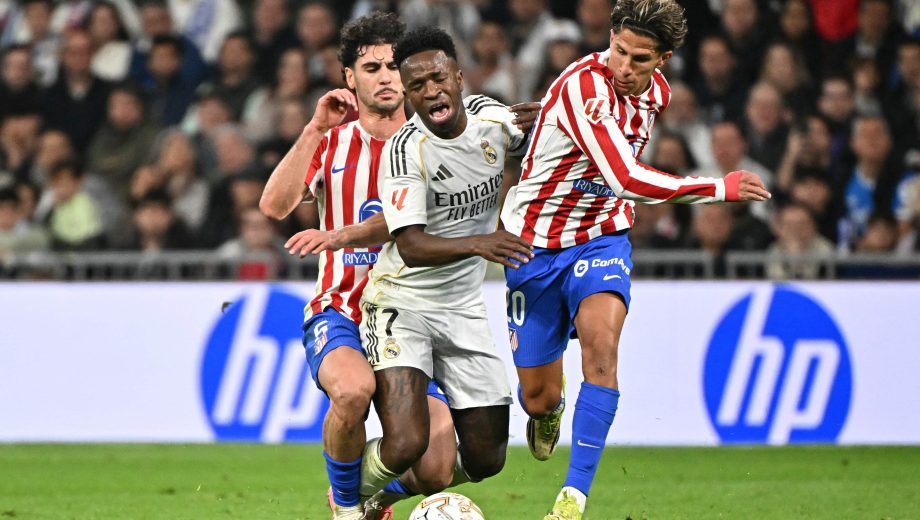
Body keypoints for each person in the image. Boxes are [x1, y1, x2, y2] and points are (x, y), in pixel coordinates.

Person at [499, 1, 770, 518]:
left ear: (662, 60)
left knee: (602, 349)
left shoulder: (657, 95)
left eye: (639, 59)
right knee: (537, 395)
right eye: (619, 50)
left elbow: (617, 186)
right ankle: (549, 411)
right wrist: (718, 185)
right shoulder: (584, 85)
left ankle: (573, 496)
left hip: (602, 236)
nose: (624, 67)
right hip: (534, 243)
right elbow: (625, 176)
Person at [259, 13, 455, 520]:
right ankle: (345, 509)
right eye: (371, 67)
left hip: (414, 316)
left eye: (394, 66)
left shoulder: (433, 143)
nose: (386, 77)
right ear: (350, 77)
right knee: (351, 391)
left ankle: (373, 499)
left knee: (435, 468)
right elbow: (274, 206)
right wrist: (314, 126)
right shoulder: (331, 141)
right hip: (341, 309)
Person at [343, 25, 535, 515]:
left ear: (459, 77)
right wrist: (482, 242)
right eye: (417, 86)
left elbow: (530, 129)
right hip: (401, 303)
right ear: (407, 95)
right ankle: (346, 499)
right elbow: (409, 246)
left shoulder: (492, 120)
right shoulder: (406, 151)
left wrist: (553, 119)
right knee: (406, 442)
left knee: (488, 458)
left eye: (438, 78)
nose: (431, 91)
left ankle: (382, 495)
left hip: (463, 308)